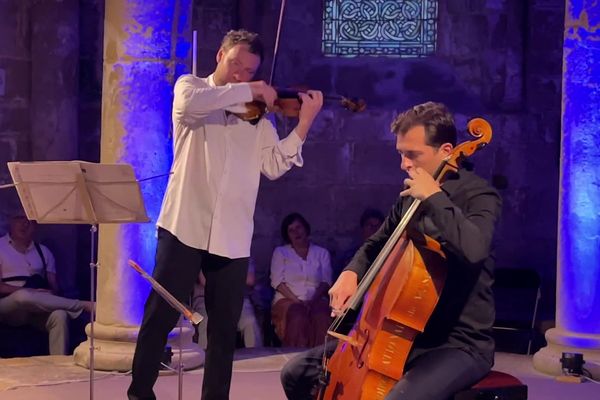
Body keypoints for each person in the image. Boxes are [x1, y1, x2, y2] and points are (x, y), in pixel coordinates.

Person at [127, 29, 323, 400]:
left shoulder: (260, 119)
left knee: (222, 330)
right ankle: (140, 393)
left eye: (249, 71)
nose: (240, 74)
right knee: (161, 315)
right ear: (219, 55)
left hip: (232, 236)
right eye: (235, 64)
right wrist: (250, 90)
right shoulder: (191, 88)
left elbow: (273, 166)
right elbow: (191, 105)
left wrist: (304, 124)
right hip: (185, 223)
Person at [280, 102, 502, 400]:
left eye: (413, 155)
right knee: (295, 372)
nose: (404, 164)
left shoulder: (479, 196)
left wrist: (435, 197)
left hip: (458, 343)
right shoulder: (408, 199)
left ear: (447, 150)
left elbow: (474, 249)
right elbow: (375, 244)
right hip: (399, 334)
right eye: (401, 153)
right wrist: (350, 273)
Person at [0, 211, 93, 355]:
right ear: (10, 221)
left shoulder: (44, 252)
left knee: (60, 315)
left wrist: (47, 292)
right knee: (23, 296)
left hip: (37, 305)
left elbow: (54, 287)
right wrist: (31, 293)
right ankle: (83, 305)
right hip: (9, 305)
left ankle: (58, 364)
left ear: (36, 225)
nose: (25, 224)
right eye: (19, 218)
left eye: (29, 220)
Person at [270, 212, 332, 348]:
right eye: (291, 230)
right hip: (288, 299)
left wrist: (312, 300)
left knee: (321, 316)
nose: (296, 233)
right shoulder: (281, 252)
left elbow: (326, 281)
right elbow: (277, 282)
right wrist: (296, 300)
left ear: (305, 228)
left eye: (298, 227)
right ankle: (296, 357)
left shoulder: (321, 253)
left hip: (316, 298)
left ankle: (320, 357)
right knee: (298, 316)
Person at [192, 258, 263, 349]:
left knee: (250, 321)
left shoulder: (242, 253)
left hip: (236, 298)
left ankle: (255, 358)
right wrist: (234, 276)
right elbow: (204, 281)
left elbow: (250, 279)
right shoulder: (205, 254)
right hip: (206, 298)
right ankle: (203, 360)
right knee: (206, 321)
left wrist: (221, 277)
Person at [334, 207, 384, 278]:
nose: (374, 229)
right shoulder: (349, 256)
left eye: (378, 226)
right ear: (362, 229)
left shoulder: (389, 254)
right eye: (369, 225)